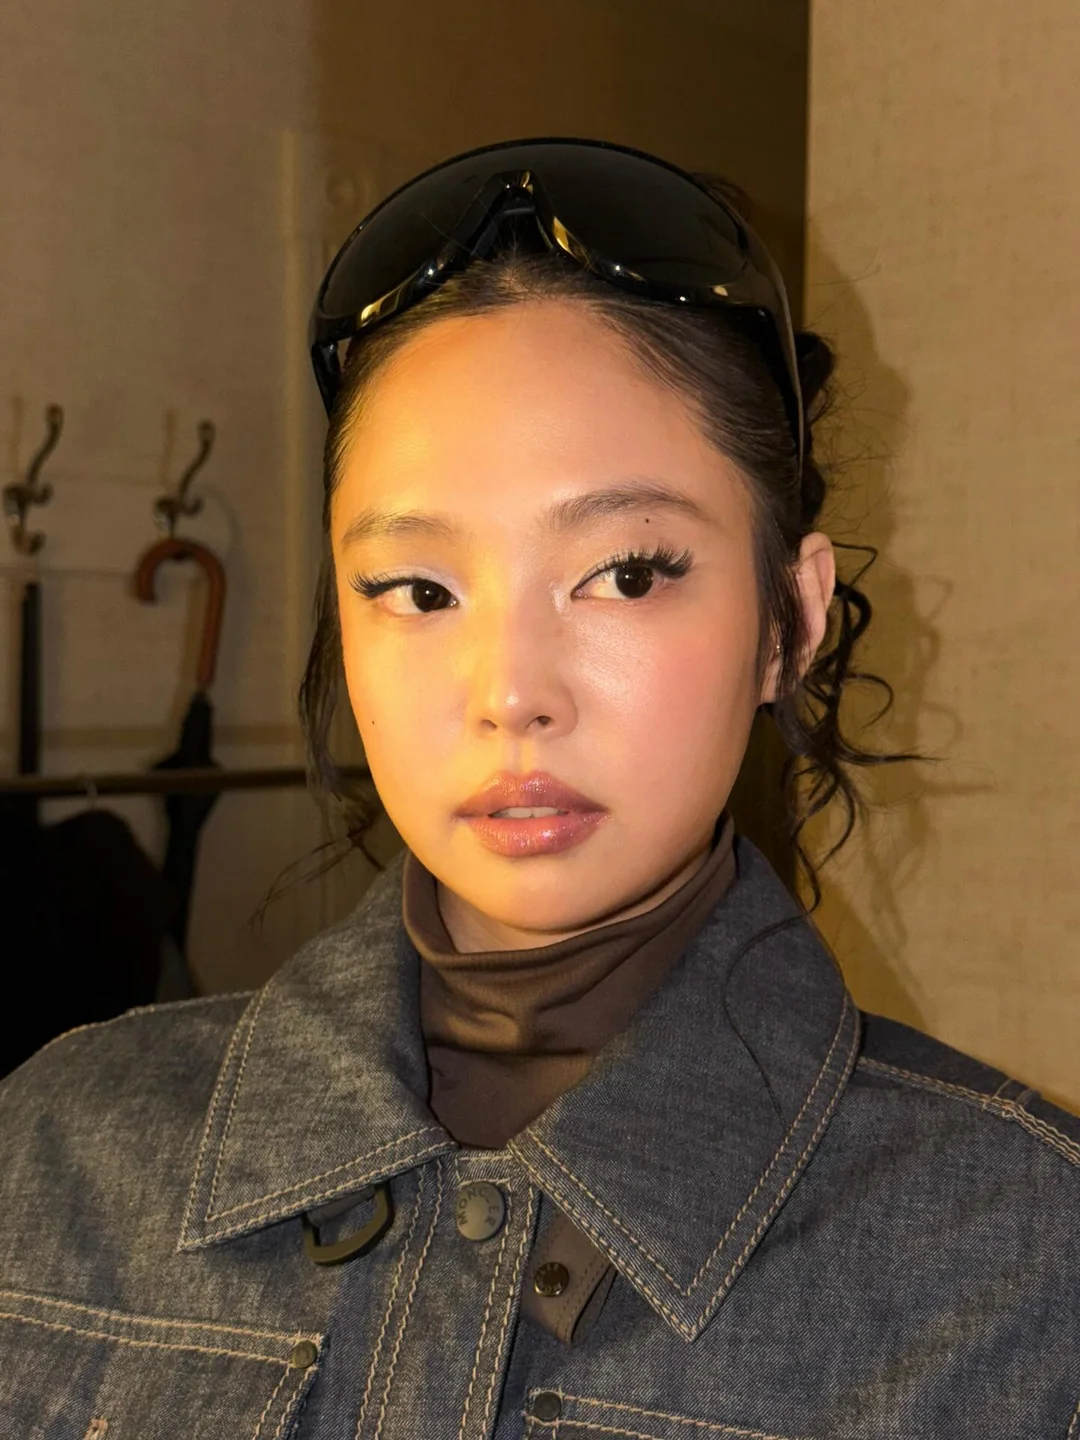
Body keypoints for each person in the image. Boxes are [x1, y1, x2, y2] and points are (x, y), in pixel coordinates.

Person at [1, 138, 1077, 1439]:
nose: (511, 693)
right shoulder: (53, 1151)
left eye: (627, 574)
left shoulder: (1024, 1268)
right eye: (420, 590)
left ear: (789, 623)